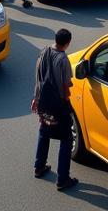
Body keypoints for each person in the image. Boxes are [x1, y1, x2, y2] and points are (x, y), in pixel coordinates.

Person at [32, 28, 78, 192]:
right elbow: (65, 87)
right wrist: (67, 100)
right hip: (58, 105)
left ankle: (39, 166)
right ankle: (62, 179)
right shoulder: (63, 60)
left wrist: (36, 99)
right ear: (67, 43)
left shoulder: (44, 52)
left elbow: (39, 77)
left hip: (44, 103)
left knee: (44, 132)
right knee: (66, 139)